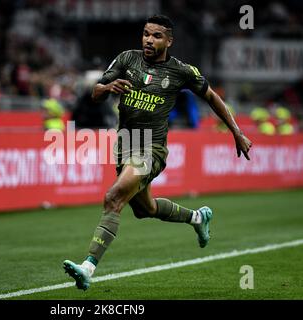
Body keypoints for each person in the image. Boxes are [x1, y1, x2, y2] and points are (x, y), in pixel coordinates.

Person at [63, 15, 252, 290]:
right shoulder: (127, 59)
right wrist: (107, 87)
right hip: (125, 144)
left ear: (169, 41)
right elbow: (95, 93)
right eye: (146, 34)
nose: (149, 40)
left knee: (113, 197)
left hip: (152, 148)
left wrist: (236, 131)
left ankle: (88, 266)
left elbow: (211, 95)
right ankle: (197, 217)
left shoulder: (181, 71)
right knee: (145, 209)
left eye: (156, 36)